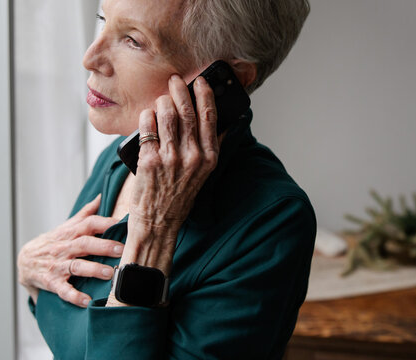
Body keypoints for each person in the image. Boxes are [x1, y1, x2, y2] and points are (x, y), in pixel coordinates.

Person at [17, 0, 316, 358]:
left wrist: (153, 231)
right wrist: (29, 268)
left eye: (133, 40)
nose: (90, 57)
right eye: (103, 19)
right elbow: (62, 321)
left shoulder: (271, 223)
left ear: (227, 79)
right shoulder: (121, 159)